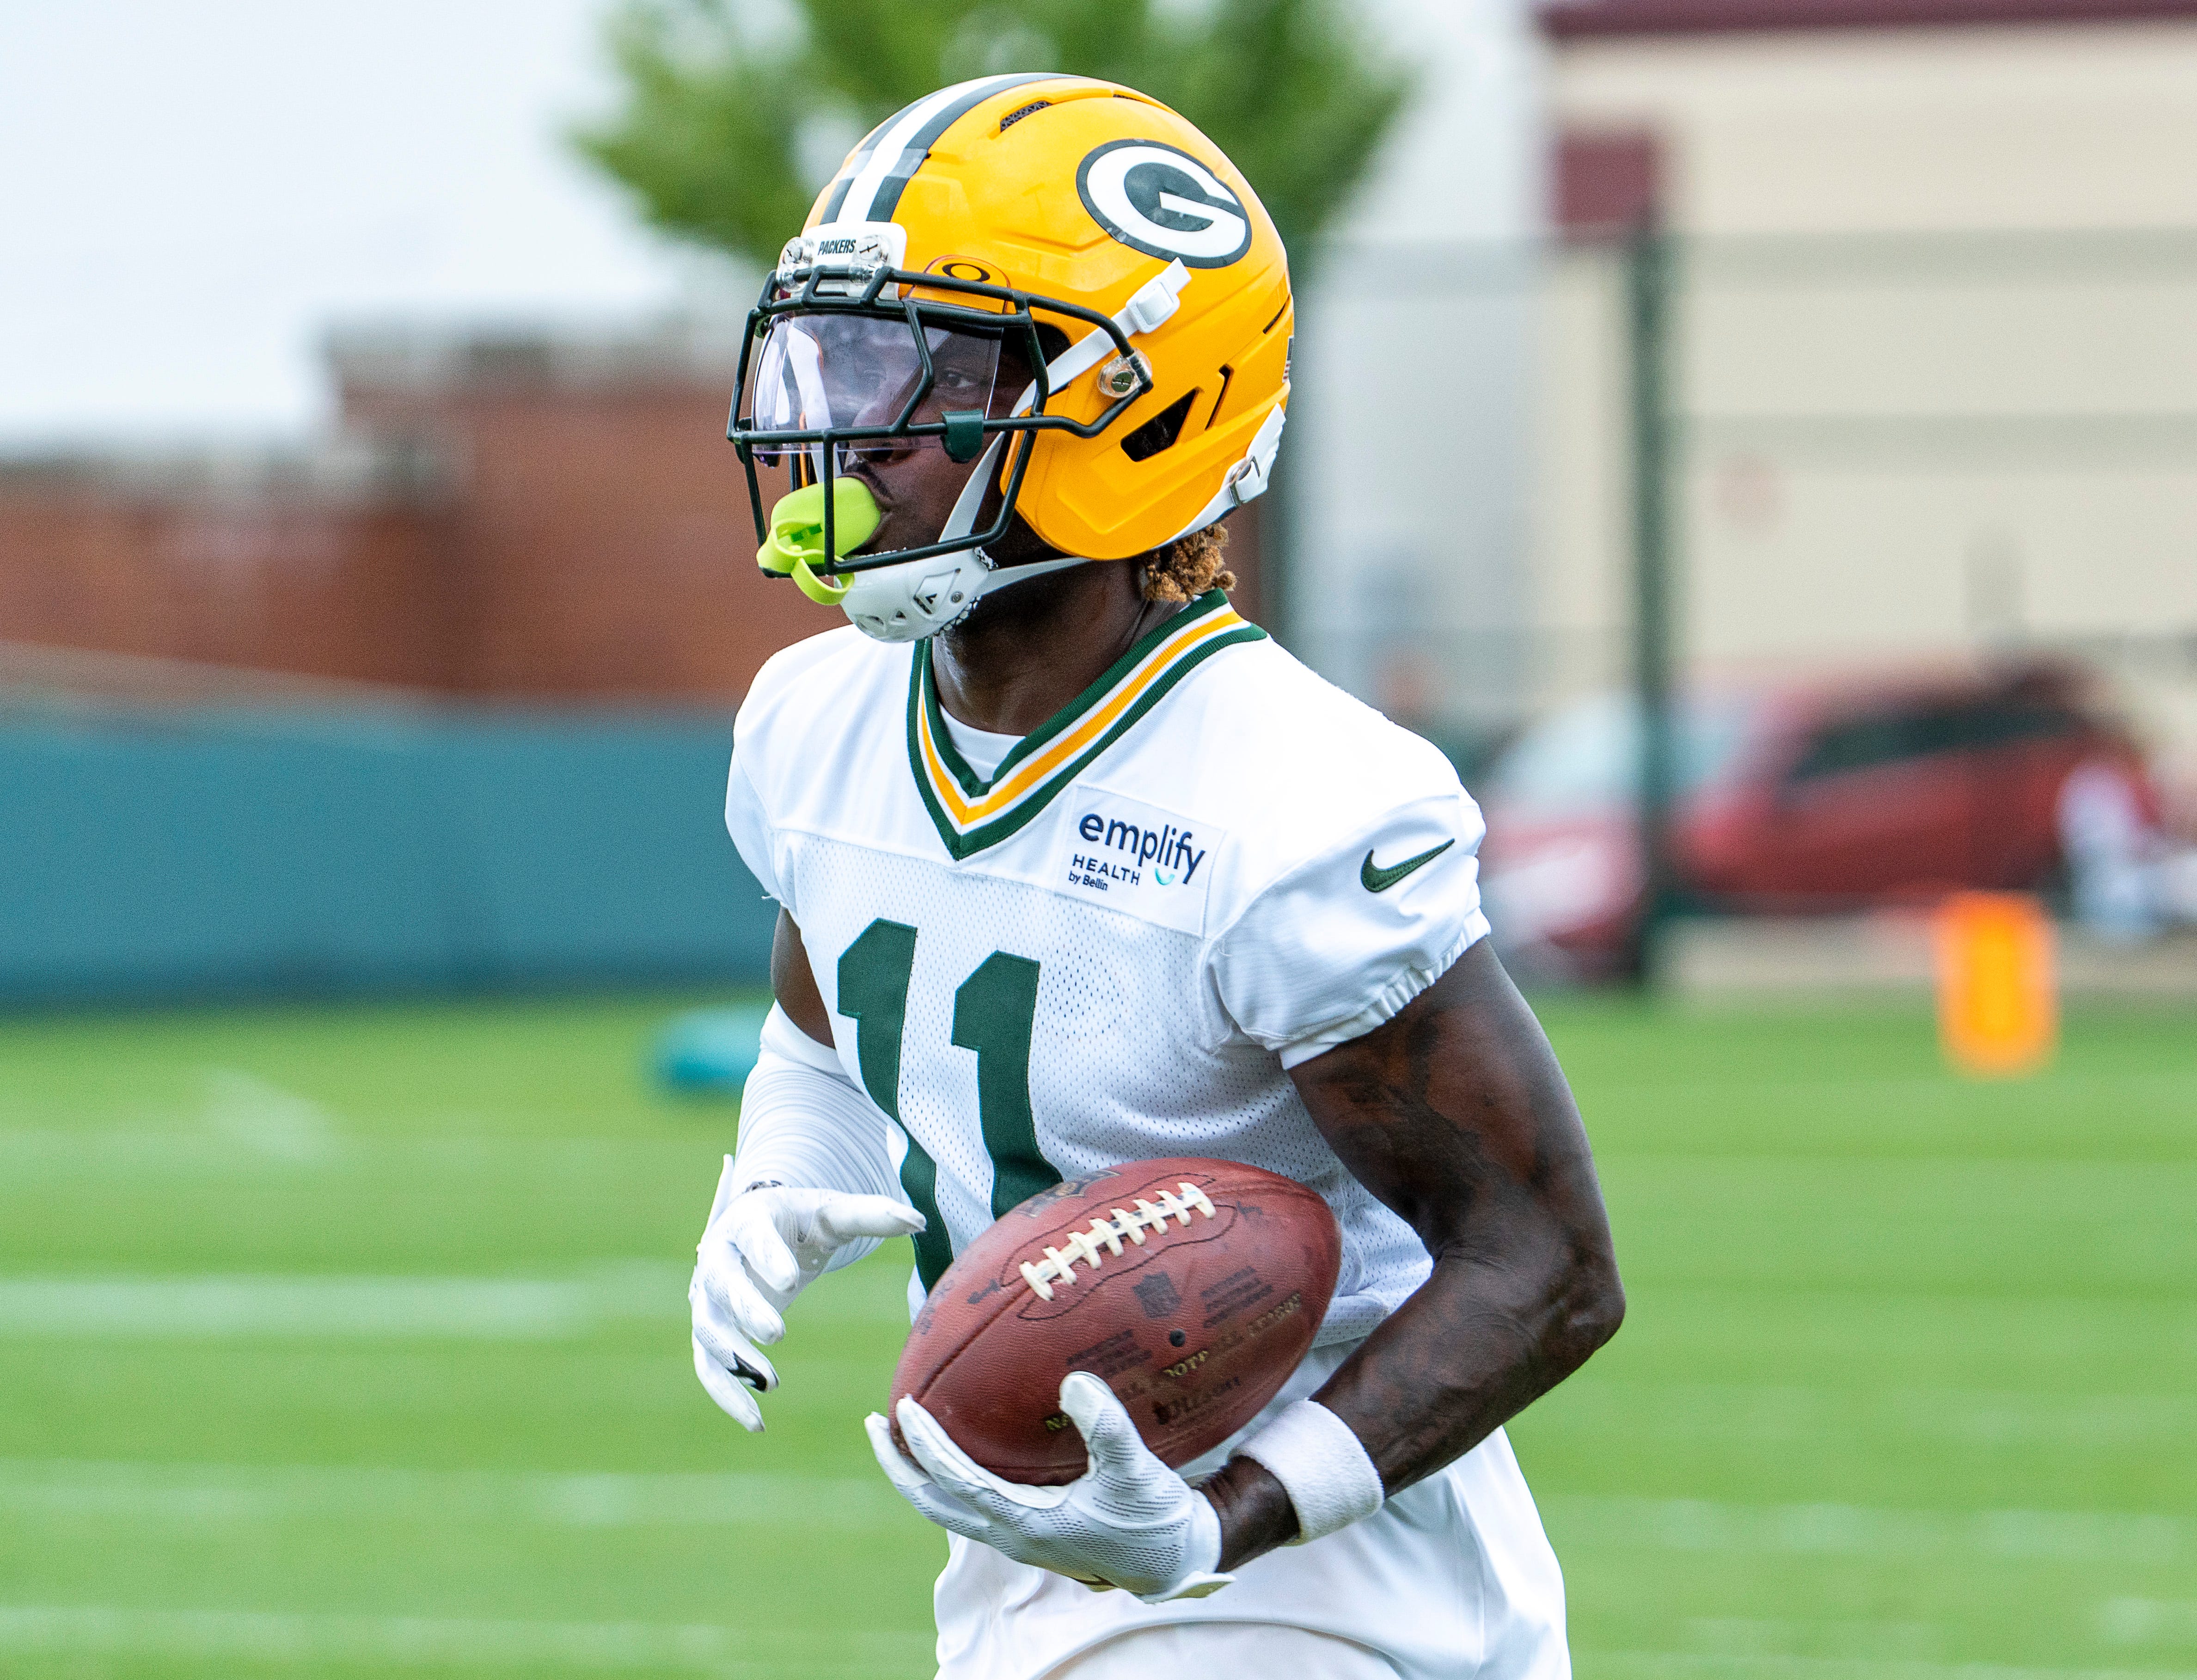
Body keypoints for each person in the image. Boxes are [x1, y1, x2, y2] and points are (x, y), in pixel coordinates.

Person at [691, 74, 1625, 1680]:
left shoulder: (1294, 800)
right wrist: (776, 1171)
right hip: (1024, 1568)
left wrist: (1224, 1519)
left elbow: (1542, 1264)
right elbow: (822, 1036)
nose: (853, 422)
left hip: (1333, 1601)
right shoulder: (812, 722)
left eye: (932, 369)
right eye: (837, 352)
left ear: (1138, 412)